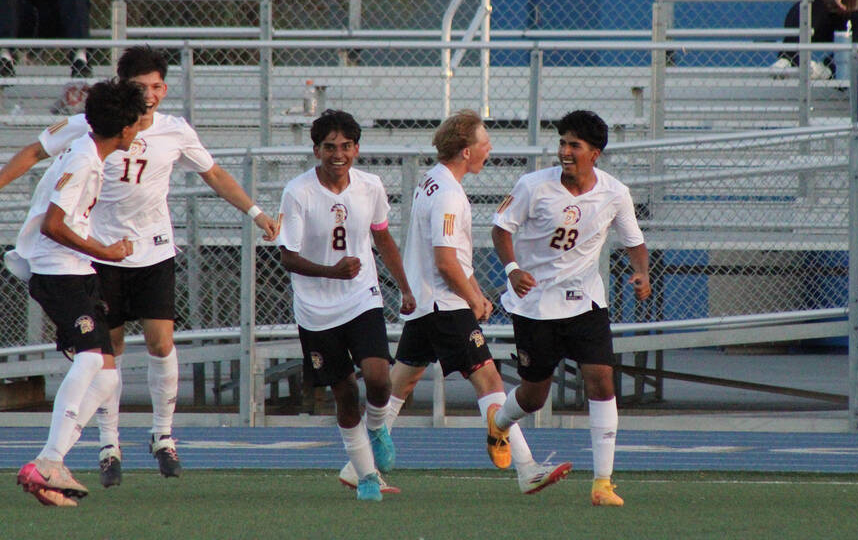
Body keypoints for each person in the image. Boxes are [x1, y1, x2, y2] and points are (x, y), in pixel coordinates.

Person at [0, 45, 280, 486]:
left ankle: (158, 436)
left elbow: (215, 174)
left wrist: (256, 212)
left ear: (164, 89)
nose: (148, 97)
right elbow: (35, 161)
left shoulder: (172, 132)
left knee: (154, 344)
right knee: (102, 356)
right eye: (138, 89)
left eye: (154, 87)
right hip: (91, 254)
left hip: (148, 249)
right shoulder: (88, 134)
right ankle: (104, 445)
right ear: (121, 93)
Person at [338, 110, 573, 496]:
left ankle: (355, 465)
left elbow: (451, 255)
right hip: (444, 306)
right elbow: (446, 261)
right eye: (484, 143)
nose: (489, 149)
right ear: (466, 151)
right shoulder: (448, 193)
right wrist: (475, 297)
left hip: (428, 304)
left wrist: (472, 287)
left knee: (402, 382)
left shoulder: (432, 182)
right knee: (489, 380)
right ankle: (527, 469)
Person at [488, 110, 650, 507]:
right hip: (535, 305)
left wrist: (642, 273)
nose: (564, 151)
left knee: (601, 378)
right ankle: (500, 423)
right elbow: (500, 228)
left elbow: (634, 240)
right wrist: (512, 270)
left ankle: (603, 483)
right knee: (534, 395)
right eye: (562, 142)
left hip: (586, 302)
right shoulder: (532, 186)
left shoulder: (614, 192)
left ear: (594, 153)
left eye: (573, 145)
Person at [9, 78, 146, 507]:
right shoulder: (86, 160)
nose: (140, 130)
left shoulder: (88, 151)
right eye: (137, 124)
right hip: (58, 272)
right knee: (90, 358)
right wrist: (105, 250)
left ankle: (51, 463)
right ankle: (49, 462)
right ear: (124, 130)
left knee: (106, 375)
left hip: (76, 271)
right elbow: (54, 224)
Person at [276, 109, 416, 502]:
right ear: (316, 150)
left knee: (378, 378)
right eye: (329, 147)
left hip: (361, 297)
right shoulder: (298, 192)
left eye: (345, 146)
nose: (338, 154)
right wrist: (331, 271)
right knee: (344, 395)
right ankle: (366, 476)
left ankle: (377, 428)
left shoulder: (370, 187)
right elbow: (287, 257)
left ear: (356, 148)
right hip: (315, 309)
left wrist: (404, 288)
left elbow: (383, 239)